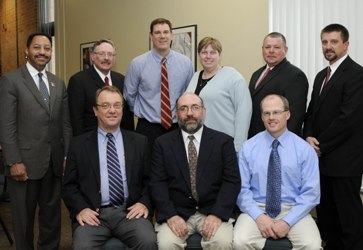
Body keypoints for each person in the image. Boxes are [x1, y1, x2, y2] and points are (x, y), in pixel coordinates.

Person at [0, 32, 72, 250]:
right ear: (26, 50)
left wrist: (67, 156)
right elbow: (6, 125)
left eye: (47, 48)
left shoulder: (57, 83)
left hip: (54, 164)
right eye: (37, 47)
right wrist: (13, 161)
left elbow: (65, 125)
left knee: (52, 219)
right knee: (24, 221)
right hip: (24, 164)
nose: (42, 52)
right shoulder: (11, 81)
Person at [62, 86, 157, 249]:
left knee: (148, 241)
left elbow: (151, 180)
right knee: (82, 247)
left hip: (129, 213)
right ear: (95, 110)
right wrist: (81, 208)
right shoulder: (78, 144)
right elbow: (69, 185)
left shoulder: (140, 142)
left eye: (117, 105)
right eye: (105, 106)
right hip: (94, 215)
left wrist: (144, 203)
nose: (112, 110)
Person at [150, 92, 241, 250]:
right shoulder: (162, 144)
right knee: (166, 244)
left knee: (222, 242)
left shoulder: (223, 142)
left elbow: (231, 182)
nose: (190, 113)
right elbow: (157, 183)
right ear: (177, 113)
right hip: (177, 212)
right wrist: (171, 215)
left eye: (195, 108)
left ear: (204, 111)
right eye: (183, 109)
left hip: (212, 211)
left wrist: (217, 214)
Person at [234, 95, 321, 250]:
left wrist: (287, 221)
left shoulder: (304, 150)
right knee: (240, 240)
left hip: (294, 208)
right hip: (257, 207)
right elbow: (241, 190)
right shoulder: (248, 148)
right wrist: (259, 217)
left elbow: (311, 193)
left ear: (287, 114)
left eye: (276, 112)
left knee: (312, 245)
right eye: (266, 113)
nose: (271, 117)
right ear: (261, 116)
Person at [303, 23, 363, 250]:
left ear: (346, 44)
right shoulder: (321, 76)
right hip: (321, 161)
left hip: (345, 161)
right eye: (325, 42)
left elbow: (348, 119)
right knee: (327, 217)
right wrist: (308, 136)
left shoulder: (357, 74)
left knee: (349, 219)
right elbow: (311, 112)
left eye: (334, 42)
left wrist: (321, 145)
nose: (328, 47)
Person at [124, 18, 194, 148]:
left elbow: (189, 94)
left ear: (171, 35)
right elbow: (129, 95)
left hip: (177, 126)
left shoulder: (186, 63)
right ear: (151, 36)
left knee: (176, 167)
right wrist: (144, 112)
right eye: (157, 33)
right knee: (148, 167)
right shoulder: (137, 64)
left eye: (166, 32)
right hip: (147, 128)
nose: (162, 36)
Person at [186, 37, 252, 152]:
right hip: (198, 141)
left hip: (224, 143)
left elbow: (244, 111)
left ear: (219, 55)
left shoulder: (233, 77)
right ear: (199, 55)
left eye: (213, 52)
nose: (208, 56)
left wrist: (238, 146)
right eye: (204, 52)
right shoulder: (195, 76)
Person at [68, 39, 134, 136]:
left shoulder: (121, 80)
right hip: (91, 140)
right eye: (102, 54)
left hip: (119, 138)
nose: (106, 58)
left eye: (110, 54)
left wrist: (130, 139)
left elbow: (126, 116)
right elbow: (76, 120)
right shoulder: (78, 81)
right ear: (92, 57)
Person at [248, 32, 308, 138]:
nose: (271, 51)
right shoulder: (256, 74)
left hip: (277, 141)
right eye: (267, 47)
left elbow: (294, 118)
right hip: (256, 139)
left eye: (276, 47)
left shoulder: (295, 76)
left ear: (285, 50)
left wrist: (281, 143)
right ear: (262, 49)